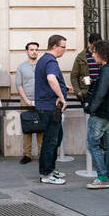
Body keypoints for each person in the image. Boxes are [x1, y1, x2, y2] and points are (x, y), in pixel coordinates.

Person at [83, 40, 109, 190]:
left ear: (101, 53)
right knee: (108, 146)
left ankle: (102, 177)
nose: (92, 54)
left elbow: (100, 94)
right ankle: (108, 175)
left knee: (93, 144)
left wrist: (90, 108)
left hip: (101, 113)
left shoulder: (107, 70)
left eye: (94, 51)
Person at [34, 34, 69, 186]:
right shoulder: (50, 61)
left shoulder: (44, 59)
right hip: (49, 107)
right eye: (63, 47)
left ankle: (50, 169)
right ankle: (46, 174)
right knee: (51, 141)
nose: (65, 50)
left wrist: (64, 87)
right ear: (54, 46)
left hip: (47, 106)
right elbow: (50, 79)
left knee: (55, 138)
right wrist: (61, 97)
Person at [15, 42, 43, 165]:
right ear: (27, 51)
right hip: (25, 100)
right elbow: (18, 85)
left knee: (41, 128)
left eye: (36, 50)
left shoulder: (42, 66)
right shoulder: (21, 67)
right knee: (27, 127)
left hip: (41, 100)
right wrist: (26, 100)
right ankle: (27, 155)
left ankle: (42, 153)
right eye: (31, 50)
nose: (34, 52)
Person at [70, 33, 101, 107]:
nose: (96, 48)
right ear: (89, 43)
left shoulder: (103, 55)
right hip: (87, 93)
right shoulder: (81, 57)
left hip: (101, 93)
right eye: (94, 45)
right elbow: (74, 76)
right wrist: (78, 92)